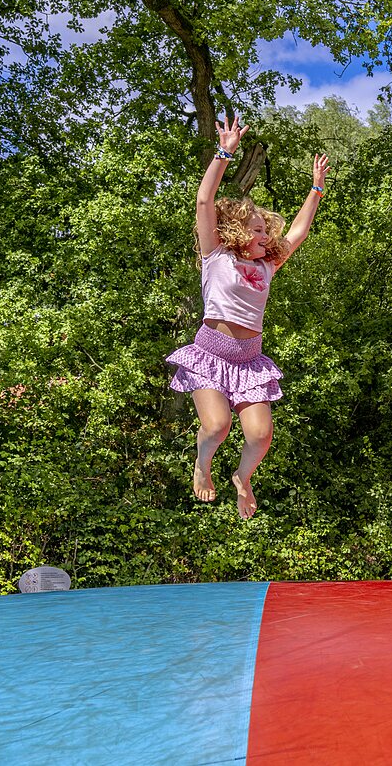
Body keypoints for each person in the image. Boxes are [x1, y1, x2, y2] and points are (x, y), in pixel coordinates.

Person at [166, 114, 329, 519]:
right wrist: (225, 152)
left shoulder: (268, 265)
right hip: (210, 356)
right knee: (218, 426)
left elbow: (298, 233)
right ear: (237, 231)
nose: (266, 236)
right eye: (257, 230)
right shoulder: (215, 254)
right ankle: (202, 463)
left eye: (266, 231)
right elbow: (204, 200)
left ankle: (242, 477)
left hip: (249, 360)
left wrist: (316, 189)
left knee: (261, 435)